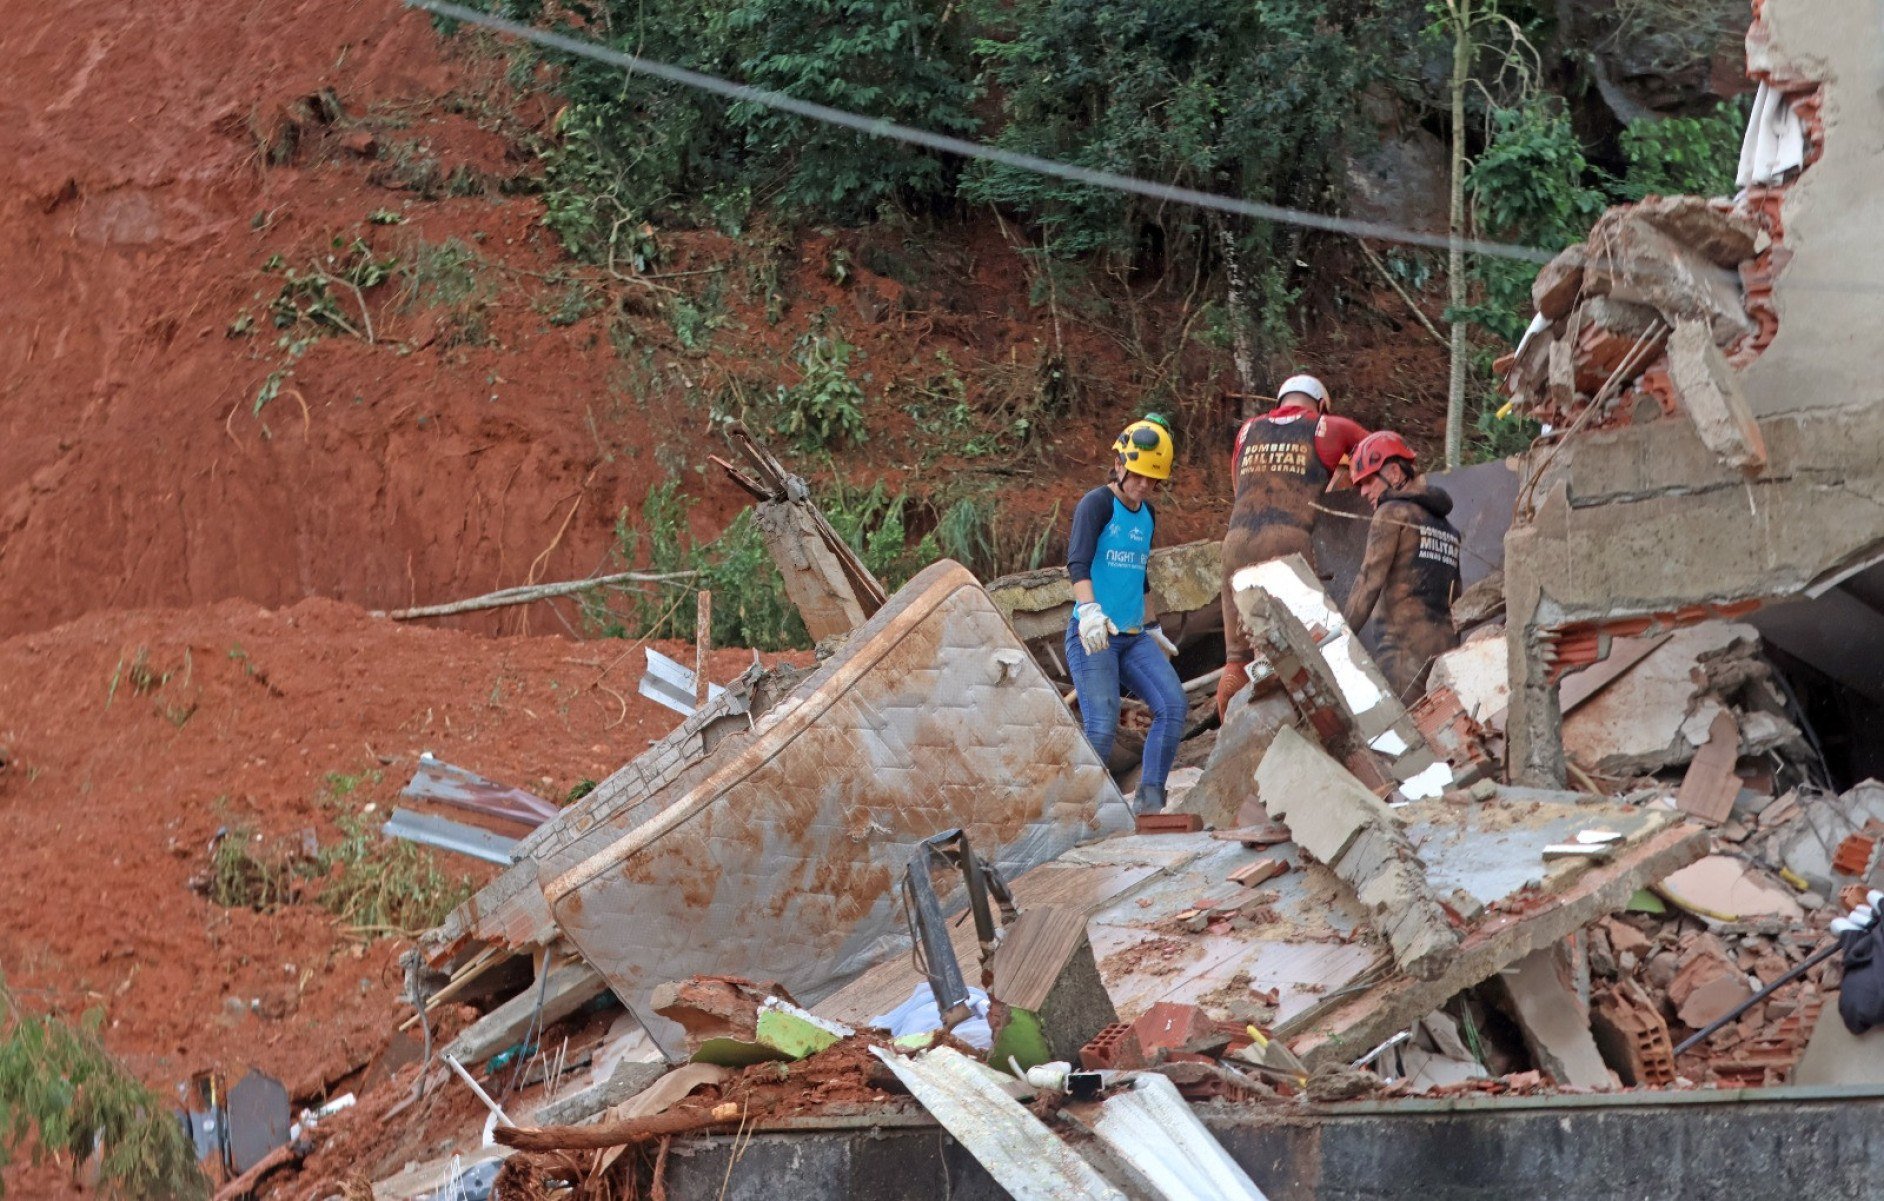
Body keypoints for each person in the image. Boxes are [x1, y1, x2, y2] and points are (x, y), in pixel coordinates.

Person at [1217, 374, 1369, 717]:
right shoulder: (1330, 426)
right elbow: (1380, 456)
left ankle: (1236, 732)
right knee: (1309, 651)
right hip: (1286, 544)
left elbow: (1238, 487)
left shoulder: (1247, 431)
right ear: (1321, 405)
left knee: (1237, 661)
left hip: (1236, 545)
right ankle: (1314, 725)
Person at [1066, 416, 1187, 814]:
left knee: (1173, 706)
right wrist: (1088, 611)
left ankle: (1149, 803)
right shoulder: (1096, 505)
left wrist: (1152, 626)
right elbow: (1078, 565)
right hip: (1094, 635)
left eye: (1152, 481)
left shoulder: (1148, 515)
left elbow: (1141, 574)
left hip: (1133, 637)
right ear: (1119, 463)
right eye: (1137, 476)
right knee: (1100, 728)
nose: (1143, 486)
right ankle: (1080, 815)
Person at [1340, 430, 1463, 703]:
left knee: (1398, 737)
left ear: (1394, 473)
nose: (1363, 491)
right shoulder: (1448, 528)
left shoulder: (1392, 513)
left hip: (1402, 654)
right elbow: (1457, 598)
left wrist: (1340, 636)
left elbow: (1368, 580)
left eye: (1368, 480)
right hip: (1445, 650)